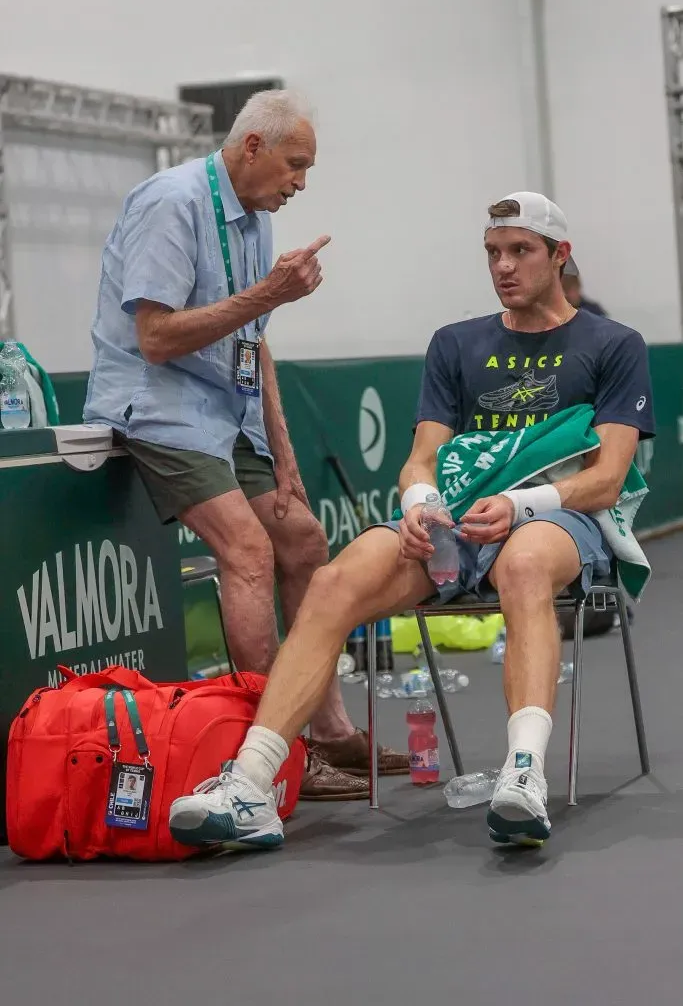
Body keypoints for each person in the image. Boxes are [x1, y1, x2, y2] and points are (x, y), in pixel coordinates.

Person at [168, 191, 655, 852]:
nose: (503, 267)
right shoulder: (455, 344)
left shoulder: (612, 344)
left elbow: (607, 474)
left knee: (525, 561)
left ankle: (522, 775)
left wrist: (519, 505)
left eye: (520, 252)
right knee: (334, 582)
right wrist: (418, 503)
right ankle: (251, 785)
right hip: (455, 528)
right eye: (492, 254)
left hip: (559, 521)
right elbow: (420, 458)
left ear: (558, 255)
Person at [83, 89, 408, 800]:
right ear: (251, 148)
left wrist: (282, 454)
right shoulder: (170, 202)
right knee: (249, 550)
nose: (300, 183)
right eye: (295, 166)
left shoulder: (256, 217)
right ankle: (271, 751)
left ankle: (326, 731)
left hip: (226, 413)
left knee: (304, 543)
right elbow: (157, 338)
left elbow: (253, 345)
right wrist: (271, 294)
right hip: (157, 406)